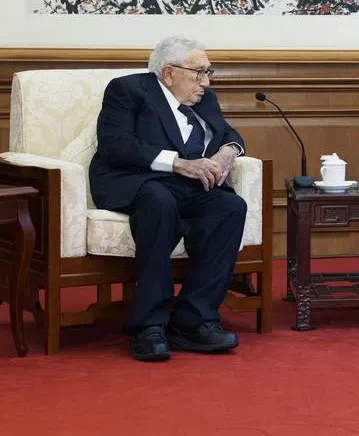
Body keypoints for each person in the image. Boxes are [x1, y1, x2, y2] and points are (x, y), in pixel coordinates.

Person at [90, 35, 248, 362]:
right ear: (168, 73)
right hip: (136, 181)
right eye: (199, 72)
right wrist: (177, 163)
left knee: (230, 206)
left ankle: (195, 319)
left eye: (209, 72)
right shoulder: (128, 90)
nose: (206, 81)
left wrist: (228, 152)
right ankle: (148, 325)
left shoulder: (204, 99)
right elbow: (115, 145)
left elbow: (228, 133)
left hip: (185, 186)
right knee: (159, 202)